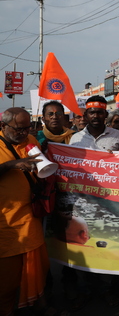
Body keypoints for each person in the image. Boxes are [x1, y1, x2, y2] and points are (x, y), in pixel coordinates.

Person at [0, 108, 49, 315]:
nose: (24, 132)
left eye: (27, 128)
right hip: (6, 223)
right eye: (19, 129)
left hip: (30, 217)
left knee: (37, 269)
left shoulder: (30, 139)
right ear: (3, 126)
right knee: (7, 279)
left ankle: (38, 305)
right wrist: (12, 164)